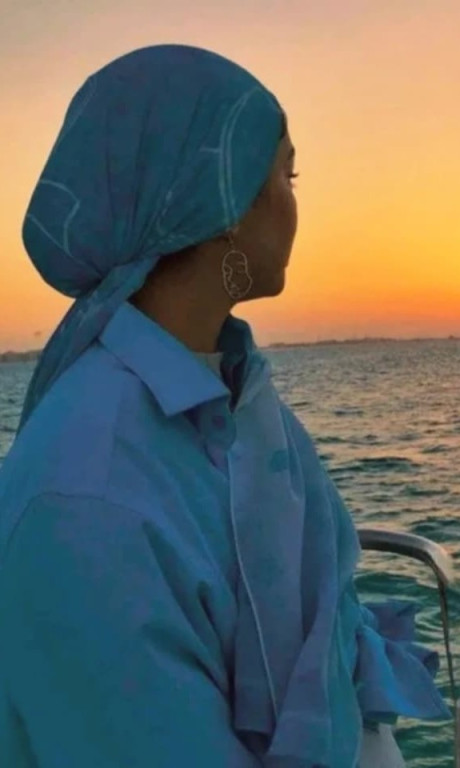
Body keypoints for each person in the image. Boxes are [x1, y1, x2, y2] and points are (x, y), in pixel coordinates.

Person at [0, 44, 450, 768]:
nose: (296, 205)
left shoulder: (236, 395)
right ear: (227, 202)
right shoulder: (86, 497)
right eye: (287, 175)